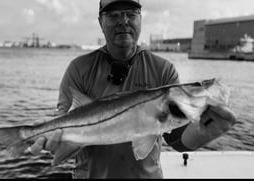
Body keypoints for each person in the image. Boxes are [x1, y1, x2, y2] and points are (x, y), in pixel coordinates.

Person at [29, 0, 236, 179]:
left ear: (140, 18)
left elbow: (175, 138)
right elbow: (63, 122)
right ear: (100, 21)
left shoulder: (163, 70)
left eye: (131, 13)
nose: (123, 21)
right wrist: (52, 141)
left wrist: (204, 132)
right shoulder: (79, 68)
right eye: (114, 14)